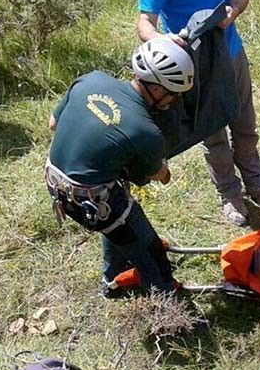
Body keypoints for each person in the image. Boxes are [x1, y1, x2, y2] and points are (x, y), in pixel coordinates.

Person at [137, 0, 260, 227]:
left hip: (231, 53)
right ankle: (229, 195)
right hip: (194, 64)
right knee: (213, 133)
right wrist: (165, 41)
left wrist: (233, 10)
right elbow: (145, 23)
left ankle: (257, 183)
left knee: (245, 124)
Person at [45, 38, 195, 296]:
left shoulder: (91, 79)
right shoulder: (146, 132)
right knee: (152, 253)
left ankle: (113, 280)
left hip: (54, 181)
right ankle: (169, 309)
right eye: (173, 92)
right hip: (91, 200)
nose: (174, 99)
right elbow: (154, 175)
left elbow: (52, 124)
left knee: (117, 225)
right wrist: (164, 170)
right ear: (158, 90)